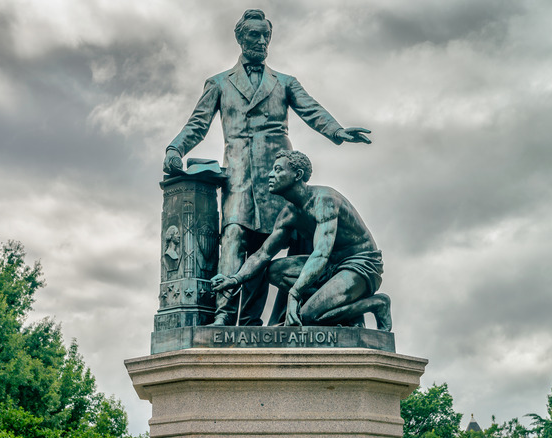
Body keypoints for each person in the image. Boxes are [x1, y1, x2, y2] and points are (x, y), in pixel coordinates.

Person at [164, 9, 372, 326]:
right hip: (241, 178)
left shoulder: (285, 82)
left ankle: (293, 316)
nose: (261, 41)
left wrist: (336, 131)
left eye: (265, 36)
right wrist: (175, 148)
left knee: (296, 244)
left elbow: (311, 109)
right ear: (240, 38)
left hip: (282, 178)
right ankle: (226, 315)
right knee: (234, 239)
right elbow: (197, 124)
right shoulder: (219, 83)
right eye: (254, 35)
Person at [211, 151, 391, 331]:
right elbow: (263, 254)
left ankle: (375, 304)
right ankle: (339, 305)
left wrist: (295, 294)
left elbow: (321, 253)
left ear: (297, 175)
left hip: (360, 266)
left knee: (307, 316)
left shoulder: (324, 200)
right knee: (274, 271)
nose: (270, 175)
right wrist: (234, 279)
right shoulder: (289, 214)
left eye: (278, 170)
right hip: (331, 267)